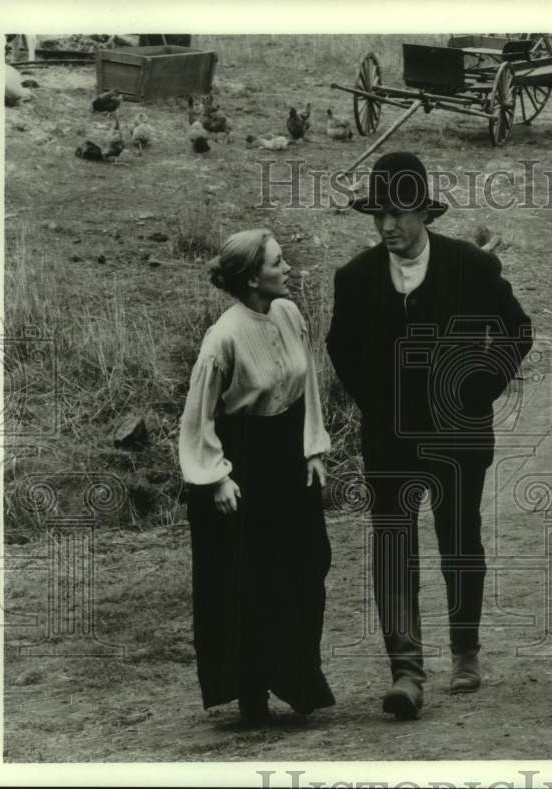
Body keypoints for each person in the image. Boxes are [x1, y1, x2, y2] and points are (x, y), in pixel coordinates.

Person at [327, 152, 532, 720]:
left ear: (423, 211)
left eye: (398, 212)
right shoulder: (356, 278)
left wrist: (479, 386)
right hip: (389, 440)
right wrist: (377, 399)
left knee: (460, 540)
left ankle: (465, 650)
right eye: (378, 215)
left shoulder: (471, 267)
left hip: (458, 436)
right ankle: (406, 669)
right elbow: (339, 347)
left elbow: (517, 331)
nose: (387, 225)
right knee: (393, 546)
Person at [179, 228, 334, 726]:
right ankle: (252, 692)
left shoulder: (288, 313)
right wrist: (217, 478)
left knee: (306, 565)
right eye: (277, 263)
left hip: (288, 457)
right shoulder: (222, 338)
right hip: (241, 465)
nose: (288, 269)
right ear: (251, 278)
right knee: (250, 578)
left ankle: (297, 679)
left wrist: (312, 448)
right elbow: (198, 418)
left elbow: (306, 382)